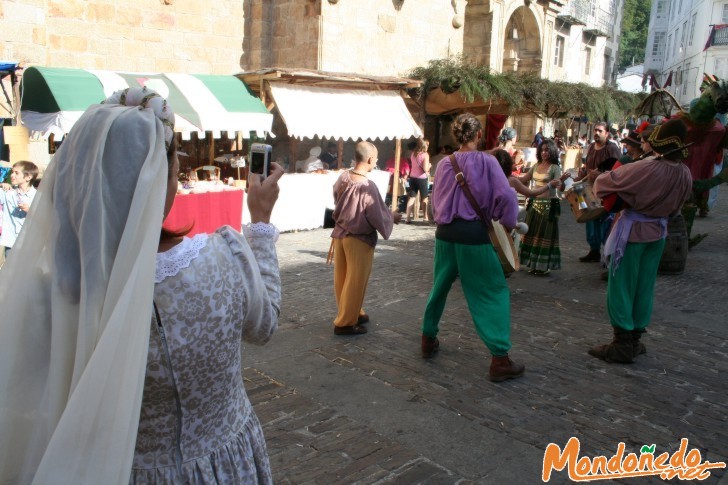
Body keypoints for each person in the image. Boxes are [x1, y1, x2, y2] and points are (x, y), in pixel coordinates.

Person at [0, 87, 284, 483]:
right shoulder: (225, 257)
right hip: (225, 464)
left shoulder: (50, 295)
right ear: (161, 182)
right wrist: (261, 222)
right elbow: (264, 323)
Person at [420, 113, 524, 382]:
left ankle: (427, 338)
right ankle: (500, 359)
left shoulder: (444, 164)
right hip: (473, 236)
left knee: (439, 286)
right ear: (479, 135)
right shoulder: (488, 162)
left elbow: (434, 201)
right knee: (493, 291)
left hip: (444, 235)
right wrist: (508, 224)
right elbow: (506, 198)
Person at [588, 118, 692, 364]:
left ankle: (623, 343)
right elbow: (678, 209)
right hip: (659, 233)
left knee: (622, 285)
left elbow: (603, 184)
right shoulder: (684, 172)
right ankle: (634, 339)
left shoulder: (647, 168)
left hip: (633, 233)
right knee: (644, 286)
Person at [330, 141, 401, 335]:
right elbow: (377, 214)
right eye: (376, 159)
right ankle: (345, 322)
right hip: (358, 238)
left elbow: (336, 198)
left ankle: (354, 312)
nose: (376, 161)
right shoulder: (367, 186)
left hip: (340, 234)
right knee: (355, 279)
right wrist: (392, 217)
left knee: (343, 277)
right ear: (370, 159)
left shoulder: (343, 177)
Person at [516, 140, 567, 275]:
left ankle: (543, 267)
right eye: (542, 150)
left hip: (548, 207)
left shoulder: (555, 168)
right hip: (534, 205)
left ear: (552, 152)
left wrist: (562, 181)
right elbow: (523, 179)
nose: (544, 152)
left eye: (547, 150)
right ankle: (533, 264)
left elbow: (560, 186)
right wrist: (508, 177)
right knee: (532, 234)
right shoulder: (536, 165)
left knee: (543, 235)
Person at [576, 121, 622, 262]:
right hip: (590, 189)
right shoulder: (590, 147)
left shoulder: (611, 148)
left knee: (605, 223)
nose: (596, 133)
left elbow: (618, 169)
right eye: (595, 130)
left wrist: (602, 174)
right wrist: (582, 172)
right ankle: (594, 250)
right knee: (591, 219)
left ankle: (608, 253)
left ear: (607, 133)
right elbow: (587, 165)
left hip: (605, 190)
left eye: (600, 131)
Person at [0, 160, 39, 259]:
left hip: (31, 242)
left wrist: (31, 211)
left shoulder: (38, 196)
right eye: (12, 172)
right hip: (12, 241)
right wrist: (1, 184)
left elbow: (46, 218)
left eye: (16, 173)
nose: (12, 175)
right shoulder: (8, 193)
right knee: (11, 272)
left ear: (28, 177)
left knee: (29, 272)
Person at [405, 138, 431, 223]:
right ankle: (425, 217)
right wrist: (429, 165)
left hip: (412, 177)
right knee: (424, 198)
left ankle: (408, 217)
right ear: (424, 146)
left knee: (412, 198)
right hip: (422, 178)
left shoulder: (413, 154)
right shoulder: (425, 155)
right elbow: (425, 169)